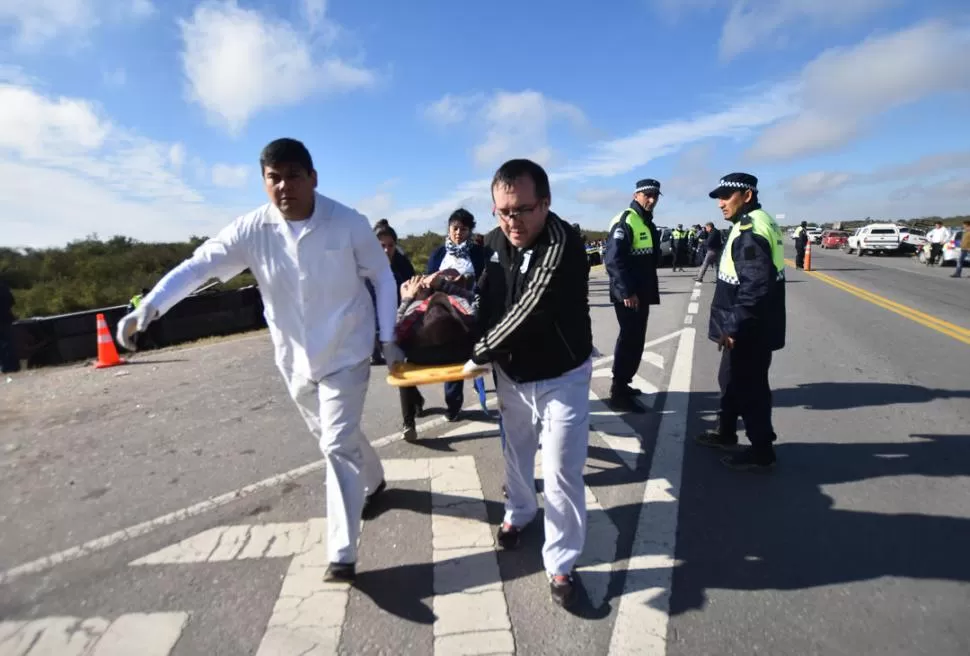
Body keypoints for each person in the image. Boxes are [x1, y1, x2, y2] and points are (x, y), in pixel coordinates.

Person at [115, 138, 399, 583]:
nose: (284, 185)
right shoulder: (251, 230)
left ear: (313, 178)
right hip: (294, 358)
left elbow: (381, 276)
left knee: (336, 446)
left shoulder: (347, 223)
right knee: (332, 433)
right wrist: (149, 307)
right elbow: (199, 266)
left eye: (293, 175)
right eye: (274, 177)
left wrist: (390, 335)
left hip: (347, 349)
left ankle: (342, 554)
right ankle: (376, 478)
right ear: (264, 181)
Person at [466, 158, 593, 608]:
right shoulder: (498, 241)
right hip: (513, 374)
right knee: (516, 453)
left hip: (563, 374)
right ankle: (519, 512)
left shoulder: (563, 244)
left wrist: (478, 350)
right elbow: (490, 295)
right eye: (502, 211)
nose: (512, 221)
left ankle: (561, 562)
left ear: (546, 202)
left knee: (559, 469)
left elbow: (529, 309)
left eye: (522, 209)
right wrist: (453, 307)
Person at [696, 173, 786, 472]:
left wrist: (733, 327)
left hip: (749, 327)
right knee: (730, 380)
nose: (721, 203)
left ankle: (761, 450)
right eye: (718, 197)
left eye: (726, 196)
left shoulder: (750, 229)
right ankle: (725, 432)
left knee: (750, 386)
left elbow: (755, 286)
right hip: (749, 322)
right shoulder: (756, 221)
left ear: (746, 196)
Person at [603, 178, 662, 414]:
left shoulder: (646, 221)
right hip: (629, 295)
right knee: (630, 340)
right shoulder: (626, 220)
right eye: (647, 195)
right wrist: (626, 291)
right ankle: (618, 391)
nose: (652, 199)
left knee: (636, 339)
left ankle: (624, 384)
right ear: (636, 194)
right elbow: (613, 260)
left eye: (655, 195)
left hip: (641, 293)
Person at [425, 209, 487, 421]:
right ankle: (453, 405)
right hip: (447, 316)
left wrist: (468, 282)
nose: (459, 232)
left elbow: (487, 279)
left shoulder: (479, 253)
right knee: (453, 360)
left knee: (480, 355)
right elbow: (427, 282)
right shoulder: (439, 254)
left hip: (473, 313)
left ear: (470, 231)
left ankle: (487, 387)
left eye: (464, 228)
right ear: (449, 229)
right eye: (455, 228)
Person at [372, 224, 427, 439]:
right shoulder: (366, 267)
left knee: (402, 370)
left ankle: (408, 424)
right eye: (381, 246)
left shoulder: (403, 266)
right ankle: (417, 399)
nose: (386, 250)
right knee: (397, 372)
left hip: (403, 324)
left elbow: (415, 293)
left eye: (390, 245)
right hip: (380, 330)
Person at [0, 278, 19, 374]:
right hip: (6, 319)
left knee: (4, 345)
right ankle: (12, 366)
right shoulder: (3, 286)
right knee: (10, 343)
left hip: (4, 319)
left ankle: (6, 366)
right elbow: (12, 301)